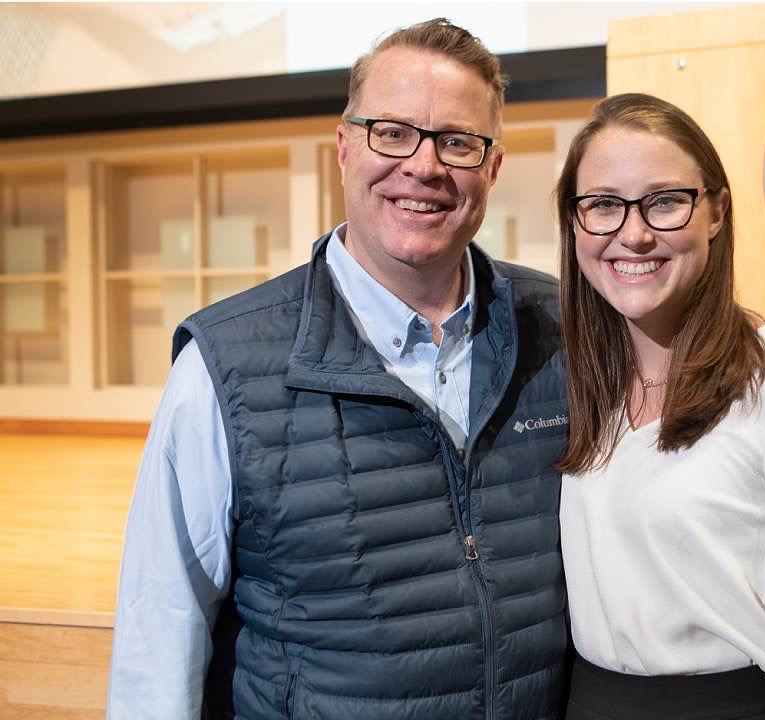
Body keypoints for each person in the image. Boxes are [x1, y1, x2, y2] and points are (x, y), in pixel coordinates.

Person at [107, 19, 570, 720]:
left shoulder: (564, 330)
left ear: (493, 166)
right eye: (392, 132)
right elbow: (161, 625)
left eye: (457, 141)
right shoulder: (224, 366)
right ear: (345, 147)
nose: (424, 165)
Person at [554, 93, 765, 720]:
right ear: (574, 221)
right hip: (593, 701)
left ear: (715, 211)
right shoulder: (582, 382)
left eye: (664, 201)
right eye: (602, 204)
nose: (632, 233)